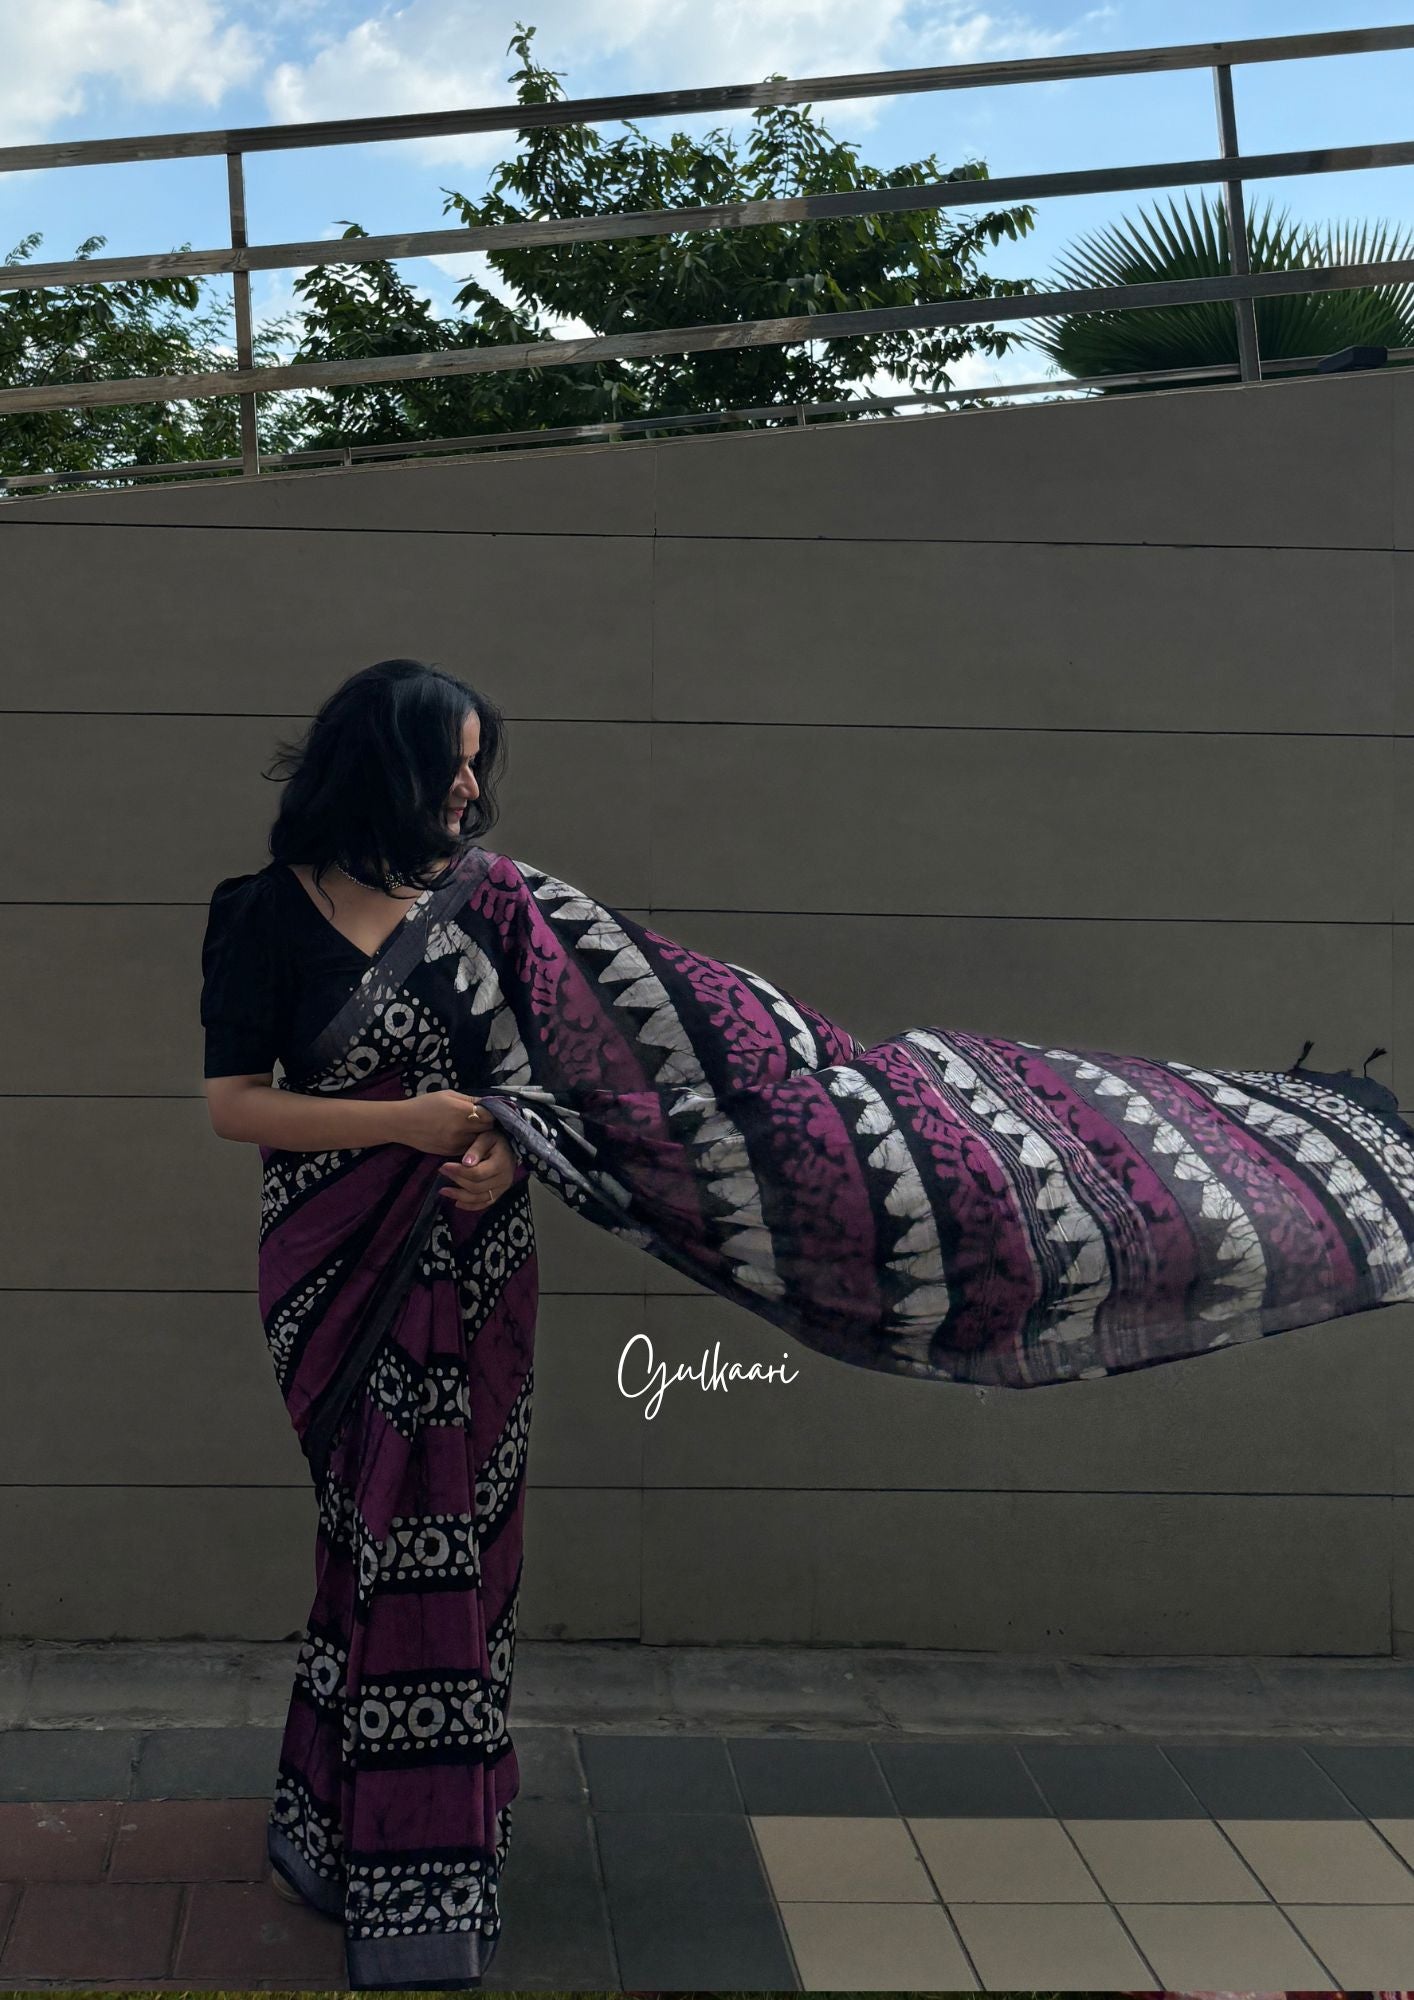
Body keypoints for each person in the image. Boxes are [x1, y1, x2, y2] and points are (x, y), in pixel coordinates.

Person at [204, 658, 1414, 1993]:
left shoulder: (499, 912)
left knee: (450, 1544)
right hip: (331, 1276)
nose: (475, 787)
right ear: (381, 763)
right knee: (364, 1538)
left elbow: (681, 1058)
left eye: (482, 761)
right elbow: (236, 1107)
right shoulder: (258, 916)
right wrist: (415, 1122)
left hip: (470, 1270)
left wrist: (499, 1134)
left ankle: (419, 1868)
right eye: (454, 762)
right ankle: (339, 1830)